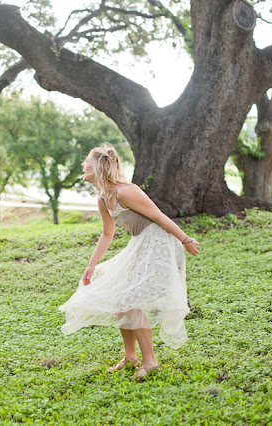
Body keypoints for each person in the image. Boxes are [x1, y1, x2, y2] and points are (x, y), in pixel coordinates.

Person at [59, 144, 200, 382]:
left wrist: (185, 240)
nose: (83, 164)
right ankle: (131, 357)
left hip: (158, 242)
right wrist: (91, 265)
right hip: (140, 242)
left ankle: (150, 362)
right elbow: (107, 234)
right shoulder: (103, 199)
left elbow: (159, 216)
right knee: (121, 298)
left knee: (130, 299)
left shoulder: (125, 191)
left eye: (87, 160)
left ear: (100, 165)